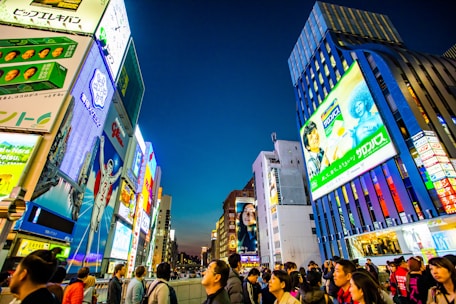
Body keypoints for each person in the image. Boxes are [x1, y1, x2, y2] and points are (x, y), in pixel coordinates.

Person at [85, 135, 122, 260]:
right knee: (91, 224)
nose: (109, 168)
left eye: (111, 167)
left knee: (97, 222)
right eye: (109, 166)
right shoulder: (104, 174)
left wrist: (120, 172)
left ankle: (96, 228)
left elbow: (116, 177)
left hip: (102, 204)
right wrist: (102, 145)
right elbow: (101, 159)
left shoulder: (111, 179)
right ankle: (88, 252)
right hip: (97, 200)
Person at [347, 82, 383, 146]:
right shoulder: (356, 129)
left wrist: (375, 131)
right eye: (356, 107)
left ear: (365, 102)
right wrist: (353, 137)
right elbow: (355, 150)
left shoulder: (377, 117)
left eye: (359, 104)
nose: (358, 109)